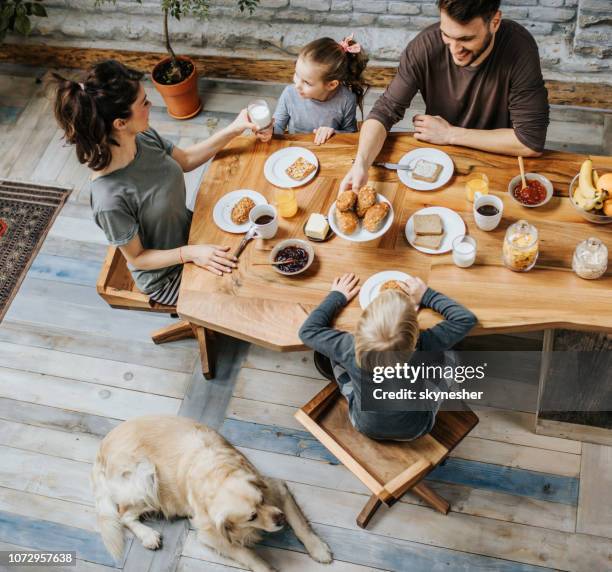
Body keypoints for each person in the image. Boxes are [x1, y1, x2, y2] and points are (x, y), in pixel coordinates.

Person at [51, 60, 266, 306]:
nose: (151, 104)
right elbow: (139, 258)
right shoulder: (109, 200)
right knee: (249, 293)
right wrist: (191, 254)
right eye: (144, 103)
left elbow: (185, 160)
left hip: (192, 235)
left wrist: (235, 129)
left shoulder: (141, 136)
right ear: (120, 123)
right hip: (168, 275)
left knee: (261, 250)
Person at [340, 0, 550, 193]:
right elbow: (384, 111)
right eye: (447, 35)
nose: (454, 49)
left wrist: (450, 134)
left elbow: (530, 141)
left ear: (494, 22)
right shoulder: (424, 47)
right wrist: (361, 163)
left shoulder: (519, 46)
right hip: (436, 161)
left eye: (466, 39)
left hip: (495, 159)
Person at [299, 274, 477, 441]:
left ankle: (351, 388)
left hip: (364, 425)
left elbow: (307, 332)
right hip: (416, 428)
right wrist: (426, 295)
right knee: (450, 356)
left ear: (361, 324)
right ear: (415, 330)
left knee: (334, 356)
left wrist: (337, 296)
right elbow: (465, 319)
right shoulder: (425, 346)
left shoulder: (349, 347)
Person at [272, 34, 369, 145]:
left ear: (332, 85)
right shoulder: (289, 94)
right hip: (295, 150)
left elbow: (350, 133)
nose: (297, 85)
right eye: (297, 74)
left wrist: (334, 133)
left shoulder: (346, 100)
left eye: (307, 82)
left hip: (327, 152)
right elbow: (278, 126)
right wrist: (269, 129)